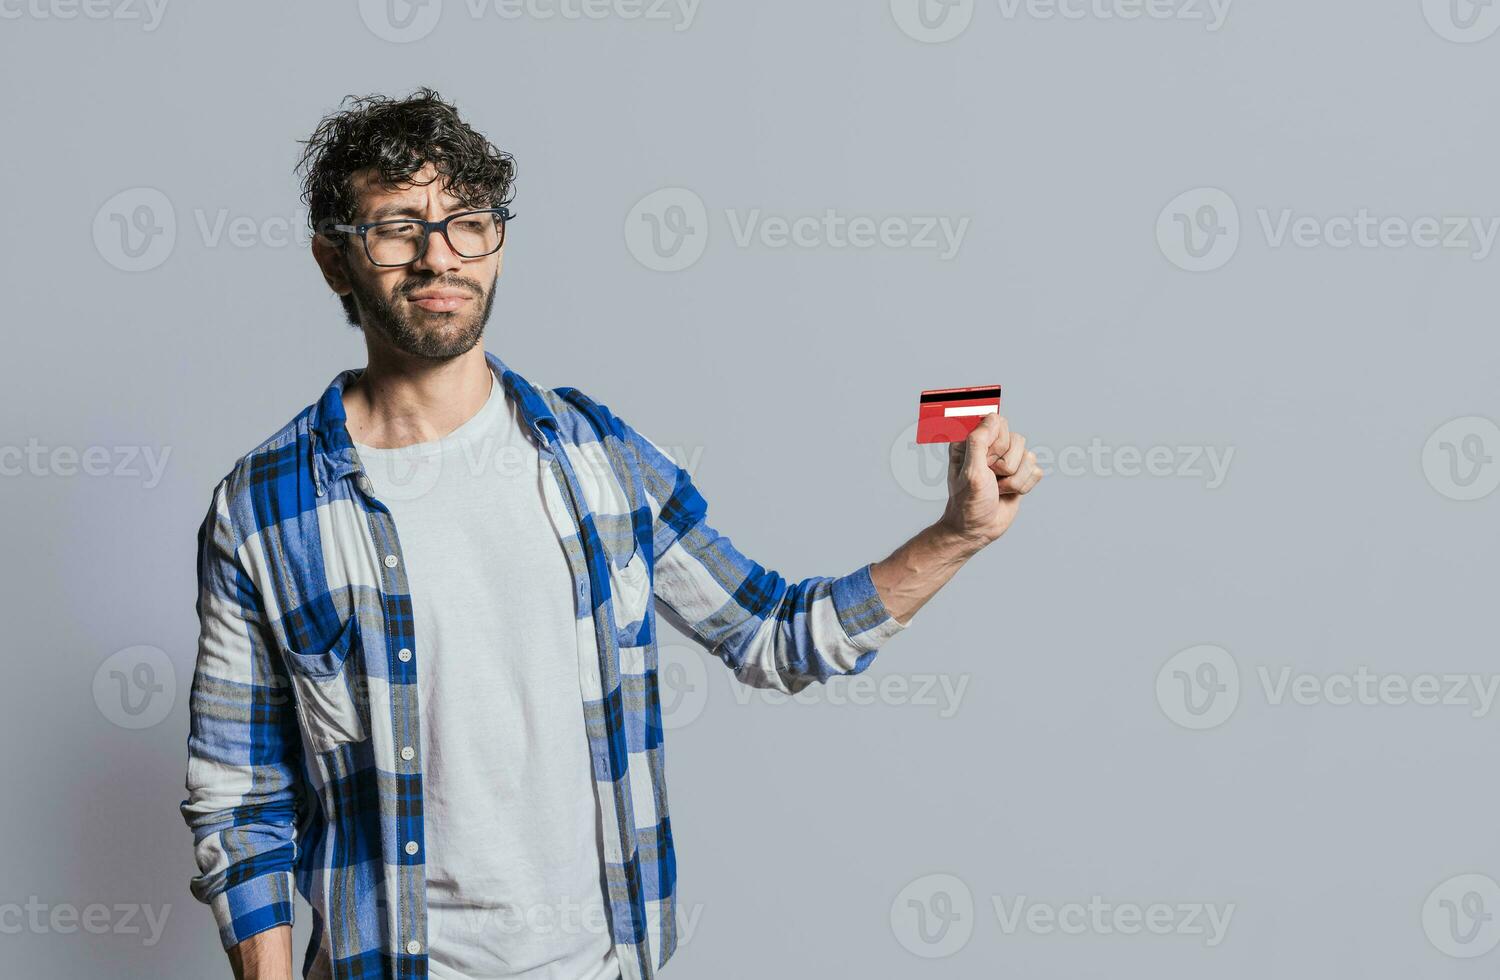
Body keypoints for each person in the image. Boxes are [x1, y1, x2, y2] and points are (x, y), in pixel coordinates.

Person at [179, 87, 1043, 980]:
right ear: (335, 260)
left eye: (467, 222)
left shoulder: (600, 462)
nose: (439, 257)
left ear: (498, 242)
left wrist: (957, 534)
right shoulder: (267, 506)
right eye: (397, 227)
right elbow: (239, 804)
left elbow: (777, 635)